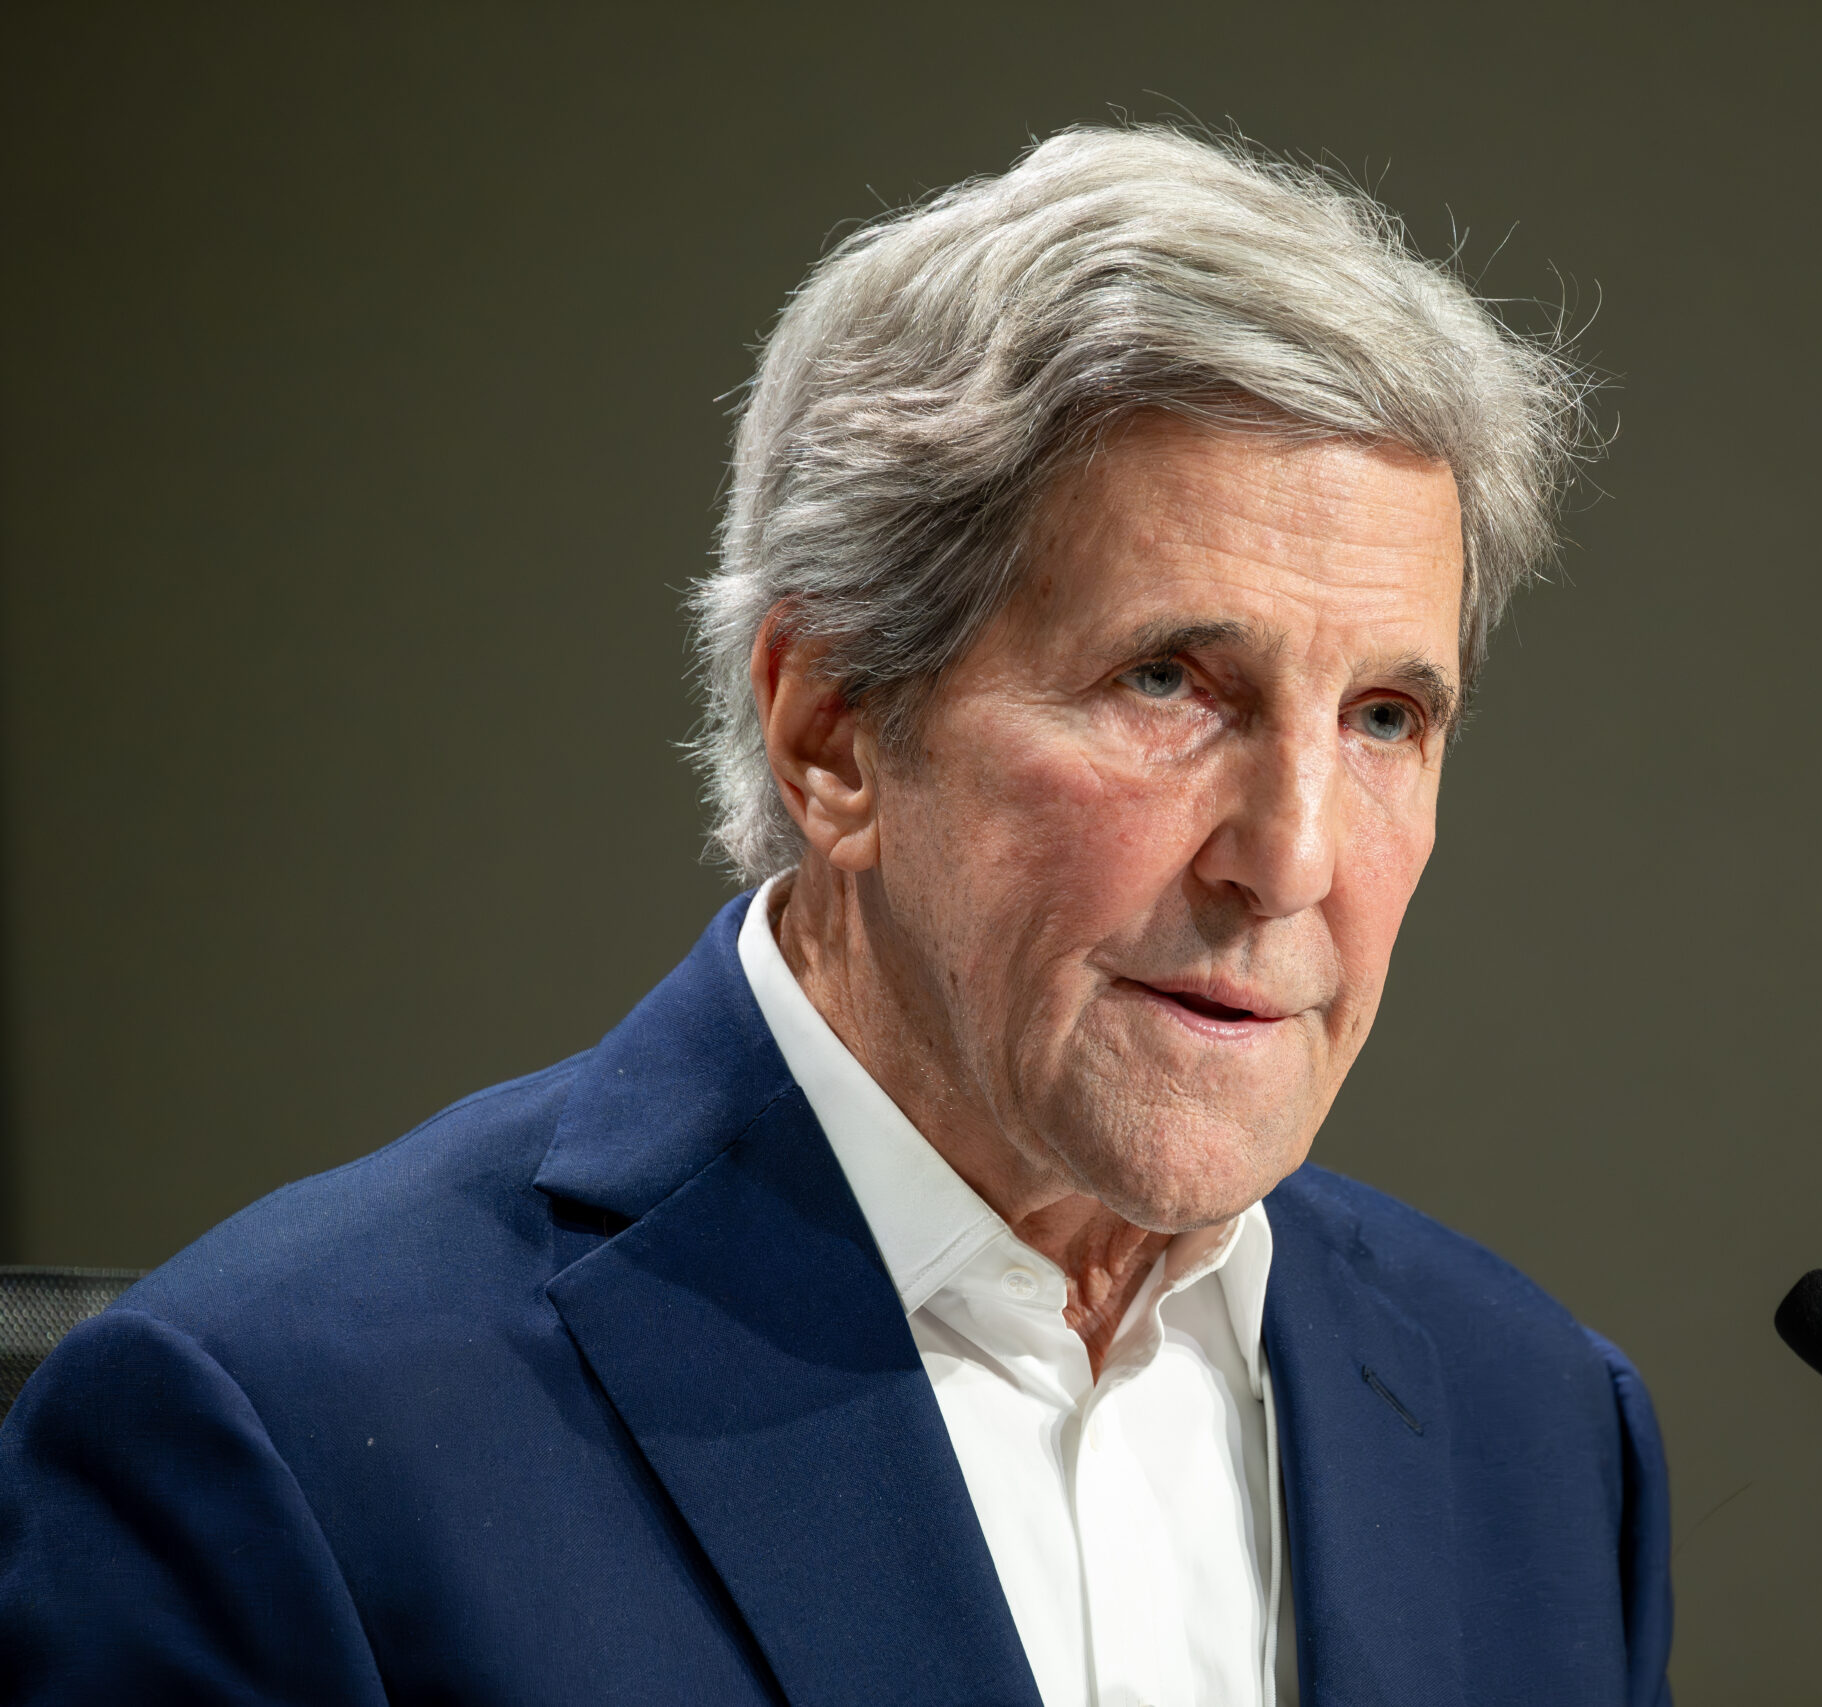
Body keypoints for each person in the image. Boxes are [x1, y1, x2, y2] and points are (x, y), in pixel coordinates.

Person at [0, 126, 1671, 1706]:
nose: (1294, 859)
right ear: (832, 733)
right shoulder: (285, 1439)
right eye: (1170, 681)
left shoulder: (1537, 1434)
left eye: (1387, 717)